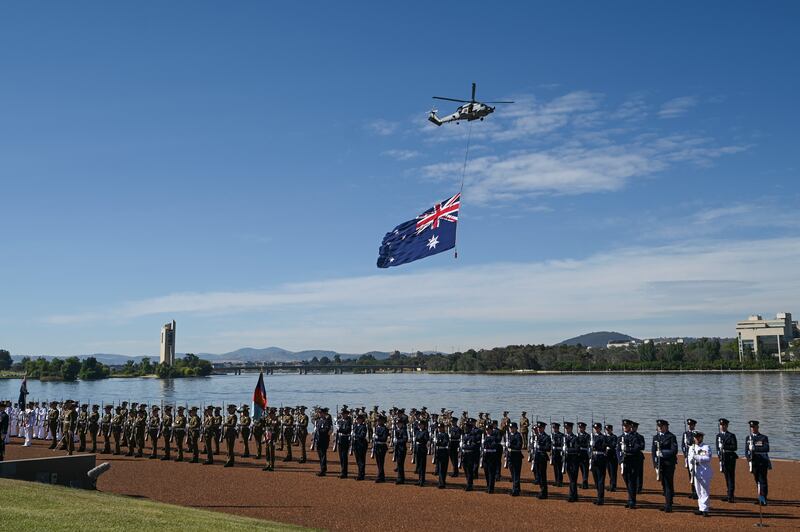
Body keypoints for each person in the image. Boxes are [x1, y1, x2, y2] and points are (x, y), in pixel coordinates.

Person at [652, 419, 678, 513]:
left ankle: (668, 505)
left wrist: (662, 453)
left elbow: (674, 450)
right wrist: (655, 465)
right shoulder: (656, 437)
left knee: (668, 483)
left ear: (666, 427)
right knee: (663, 483)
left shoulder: (671, 437)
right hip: (660, 464)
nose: (659, 428)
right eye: (658, 426)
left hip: (669, 464)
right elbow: (653, 452)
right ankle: (668, 501)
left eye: (661, 426)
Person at [745, 420, 770, 506]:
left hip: (762, 462)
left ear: (757, 427)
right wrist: (749, 461)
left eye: (754, 427)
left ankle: (763, 499)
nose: (752, 429)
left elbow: (766, 449)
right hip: (754, 463)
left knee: (762, 481)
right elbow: (746, 451)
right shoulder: (748, 438)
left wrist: (755, 448)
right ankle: (760, 497)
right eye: (751, 427)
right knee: (757, 481)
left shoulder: (763, 438)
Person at [688, 431, 713, 517]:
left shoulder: (706, 447)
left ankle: (705, 510)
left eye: (699, 437)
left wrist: (696, 457)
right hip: (695, 471)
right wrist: (691, 468)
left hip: (704, 472)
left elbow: (707, 458)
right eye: (695, 437)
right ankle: (701, 508)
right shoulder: (691, 448)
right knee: (698, 491)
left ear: (702, 438)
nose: (697, 439)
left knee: (704, 491)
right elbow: (689, 459)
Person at [620, 419, 643, 509]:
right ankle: (630, 499)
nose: (625, 427)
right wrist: (620, 460)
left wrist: (627, 450)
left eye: (627, 426)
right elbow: (618, 450)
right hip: (624, 462)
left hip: (633, 461)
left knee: (632, 482)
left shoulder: (635, 437)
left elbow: (637, 448)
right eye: (624, 426)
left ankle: (632, 501)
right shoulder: (620, 438)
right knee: (626, 481)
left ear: (630, 427)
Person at [716, 418, 738, 503]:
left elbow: (734, 447)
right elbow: (718, 448)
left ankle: (731, 495)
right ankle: (728, 493)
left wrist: (724, 447)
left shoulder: (731, 435)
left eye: (724, 425)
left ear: (727, 426)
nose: (722, 427)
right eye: (721, 425)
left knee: (730, 477)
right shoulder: (718, 436)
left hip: (730, 457)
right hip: (723, 458)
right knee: (726, 476)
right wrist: (720, 457)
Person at [532, 421, 551, 499]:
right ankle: (541, 490)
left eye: (540, 428)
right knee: (538, 475)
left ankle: (544, 492)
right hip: (536, 457)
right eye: (538, 428)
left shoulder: (546, 437)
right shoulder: (536, 436)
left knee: (542, 476)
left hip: (542, 457)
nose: (539, 429)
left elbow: (548, 448)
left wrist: (540, 447)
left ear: (543, 428)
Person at [590, 422, 607, 505]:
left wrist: (595, 445)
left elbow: (604, 447)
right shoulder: (591, 437)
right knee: (596, 480)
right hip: (593, 459)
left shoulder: (603, 437)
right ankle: (598, 496)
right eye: (595, 428)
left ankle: (601, 498)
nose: (596, 429)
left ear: (600, 429)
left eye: (597, 428)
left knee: (600, 480)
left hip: (600, 459)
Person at [563, 421, 580, 502]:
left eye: (568, 428)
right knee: (571, 479)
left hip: (574, 461)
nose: (566, 430)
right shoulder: (564, 438)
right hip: (567, 461)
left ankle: (572, 496)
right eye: (565, 428)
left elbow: (577, 449)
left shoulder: (575, 438)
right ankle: (574, 495)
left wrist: (567, 450)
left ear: (571, 428)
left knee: (573, 479)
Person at [682, 418, 699, 499]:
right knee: (690, 473)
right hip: (688, 456)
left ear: (694, 425)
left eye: (691, 425)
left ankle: (696, 491)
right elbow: (683, 445)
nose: (689, 426)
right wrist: (685, 454)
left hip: (694, 455)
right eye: (689, 425)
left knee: (695, 473)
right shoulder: (685, 434)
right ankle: (693, 491)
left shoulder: (696, 433)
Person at [506, 422, 523, 496]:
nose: (511, 429)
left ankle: (515, 490)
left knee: (516, 474)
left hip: (516, 456)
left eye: (512, 428)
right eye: (510, 428)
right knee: (512, 474)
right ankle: (517, 488)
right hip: (510, 456)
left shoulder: (518, 436)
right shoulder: (509, 435)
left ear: (516, 428)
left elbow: (519, 446)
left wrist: (511, 445)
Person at [314, 407, 332, 476]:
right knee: (320, 455)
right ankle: (322, 468)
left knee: (323, 455)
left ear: (324, 414)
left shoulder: (326, 421)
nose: (320, 414)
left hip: (324, 440)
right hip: (318, 440)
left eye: (321, 413)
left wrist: (319, 431)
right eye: (319, 413)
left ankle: (323, 470)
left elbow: (326, 430)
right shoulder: (319, 421)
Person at [335, 407, 352, 478]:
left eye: (343, 414)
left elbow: (347, 430)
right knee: (341, 457)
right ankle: (342, 471)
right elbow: (338, 431)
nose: (342, 415)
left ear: (346, 414)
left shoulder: (348, 421)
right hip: (340, 439)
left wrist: (339, 428)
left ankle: (344, 473)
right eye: (342, 414)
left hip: (345, 439)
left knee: (344, 457)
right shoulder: (340, 421)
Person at [481, 425, 498, 494]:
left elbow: (493, 445)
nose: (487, 431)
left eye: (489, 430)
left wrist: (486, 444)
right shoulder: (484, 437)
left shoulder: (494, 437)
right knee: (486, 473)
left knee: (491, 473)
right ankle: (488, 486)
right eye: (486, 430)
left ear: (491, 430)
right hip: (485, 456)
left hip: (492, 456)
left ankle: (491, 488)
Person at [352, 413, 369, 480]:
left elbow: (362, 435)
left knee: (361, 460)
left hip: (361, 444)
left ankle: (361, 474)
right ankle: (360, 473)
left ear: (362, 420)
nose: (358, 420)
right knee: (357, 460)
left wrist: (355, 435)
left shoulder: (363, 427)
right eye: (357, 419)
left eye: (359, 419)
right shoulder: (356, 426)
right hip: (356, 444)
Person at [373, 415, 389, 482]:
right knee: (378, 462)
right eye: (378, 420)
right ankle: (381, 476)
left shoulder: (385, 428)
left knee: (381, 462)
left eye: (379, 420)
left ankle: (380, 476)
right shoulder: (377, 428)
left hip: (382, 447)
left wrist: (377, 437)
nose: (378, 422)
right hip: (377, 446)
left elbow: (384, 438)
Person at [433, 422, 450, 489]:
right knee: (440, 468)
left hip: (444, 452)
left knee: (443, 469)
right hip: (438, 452)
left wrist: (438, 442)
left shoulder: (445, 435)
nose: (439, 429)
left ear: (443, 428)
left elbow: (445, 443)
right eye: (439, 428)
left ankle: (442, 483)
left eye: (440, 428)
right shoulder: (437, 435)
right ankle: (441, 482)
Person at [393, 417, 408, 484]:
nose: (398, 425)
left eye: (399, 423)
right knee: (399, 464)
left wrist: (398, 441)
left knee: (400, 464)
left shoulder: (403, 430)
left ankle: (400, 478)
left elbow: (405, 439)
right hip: (397, 449)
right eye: (397, 423)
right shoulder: (396, 430)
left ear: (402, 424)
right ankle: (401, 477)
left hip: (402, 449)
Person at [414, 420, 429, 486]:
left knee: (422, 465)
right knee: (419, 465)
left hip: (422, 449)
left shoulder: (425, 432)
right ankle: (419, 479)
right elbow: (416, 438)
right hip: (418, 449)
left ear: (423, 425)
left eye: (421, 425)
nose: (419, 426)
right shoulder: (418, 431)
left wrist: (419, 439)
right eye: (419, 425)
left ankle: (422, 480)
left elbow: (426, 439)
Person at [576, 421, 590, 489]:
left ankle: (585, 482)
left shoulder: (587, 435)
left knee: (585, 469)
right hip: (578, 454)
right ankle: (583, 482)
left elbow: (587, 445)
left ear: (584, 428)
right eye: (580, 427)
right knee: (581, 469)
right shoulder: (577, 435)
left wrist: (579, 445)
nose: (580, 429)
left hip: (584, 454)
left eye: (582, 427)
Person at [604, 424, 618, 492]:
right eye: (606, 430)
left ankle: (613, 485)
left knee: (613, 472)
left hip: (613, 457)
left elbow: (613, 445)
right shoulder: (604, 437)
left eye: (608, 429)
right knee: (609, 471)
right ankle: (611, 484)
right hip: (607, 457)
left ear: (611, 430)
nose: (607, 431)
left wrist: (607, 445)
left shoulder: (614, 437)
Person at [550, 422, 564, 487]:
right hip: (554, 452)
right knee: (555, 468)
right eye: (554, 428)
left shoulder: (561, 435)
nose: (554, 429)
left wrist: (556, 442)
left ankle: (560, 481)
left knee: (559, 467)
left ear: (558, 428)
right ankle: (556, 480)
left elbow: (562, 444)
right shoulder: (552, 435)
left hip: (559, 452)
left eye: (555, 428)